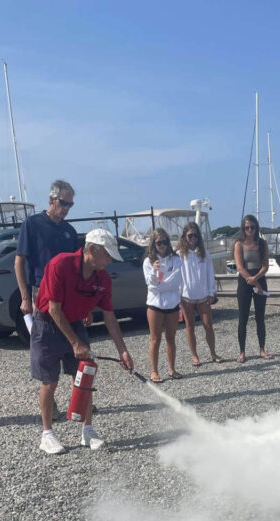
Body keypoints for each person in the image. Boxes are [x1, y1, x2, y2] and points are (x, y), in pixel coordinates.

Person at [30, 228, 134, 454]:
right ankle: (47, 434)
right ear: (92, 250)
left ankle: (88, 430)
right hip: (47, 323)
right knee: (49, 380)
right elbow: (55, 310)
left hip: (75, 322)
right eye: (107, 255)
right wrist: (75, 343)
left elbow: (109, 316)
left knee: (84, 375)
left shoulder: (103, 278)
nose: (110, 261)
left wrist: (122, 351)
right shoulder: (60, 265)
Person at [14, 180, 79, 419]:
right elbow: (20, 261)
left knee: (77, 348)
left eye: (70, 205)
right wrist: (25, 297)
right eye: (63, 203)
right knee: (47, 351)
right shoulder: (32, 225)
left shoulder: (69, 232)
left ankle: (80, 401)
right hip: (41, 293)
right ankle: (50, 404)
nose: (66, 209)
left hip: (67, 297)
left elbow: (77, 269)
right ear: (51, 200)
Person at [178, 222, 224, 367]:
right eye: (190, 235)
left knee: (208, 325)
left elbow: (210, 273)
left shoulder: (205, 253)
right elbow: (178, 276)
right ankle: (194, 356)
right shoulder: (179, 255)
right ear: (185, 237)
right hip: (186, 297)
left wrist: (212, 292)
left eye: (195, 235)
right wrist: (178, 295)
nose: (193, 238)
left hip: (203, 295)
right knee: (190, 326)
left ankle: (213, 353)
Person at [143, 228, 183, 383]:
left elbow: (176, 281)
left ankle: (172, 369)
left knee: (171, 337)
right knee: (155, 339)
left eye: (165, 242)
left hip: (172, 304)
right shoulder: (148, 261)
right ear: (153, 244)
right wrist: (154, 273)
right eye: (159, 243)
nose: (162, 246)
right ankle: (154, 371)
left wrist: (161, 284)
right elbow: (151, 285)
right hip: (155, 305)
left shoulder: (176, 259)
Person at [233, 214, 272, 363]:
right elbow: (240, 267)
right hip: (244, 281)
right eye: (247, 227)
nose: (250, 230)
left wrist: (256, 280)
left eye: (252, 227)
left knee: (260, 317)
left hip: (259, 278)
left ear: (256, 227)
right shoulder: (239, 244)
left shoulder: (262, 243)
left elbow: (265, 265)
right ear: (243, 228)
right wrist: (253, 281)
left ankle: (262, 349)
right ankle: (242, 351)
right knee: (243, 318)